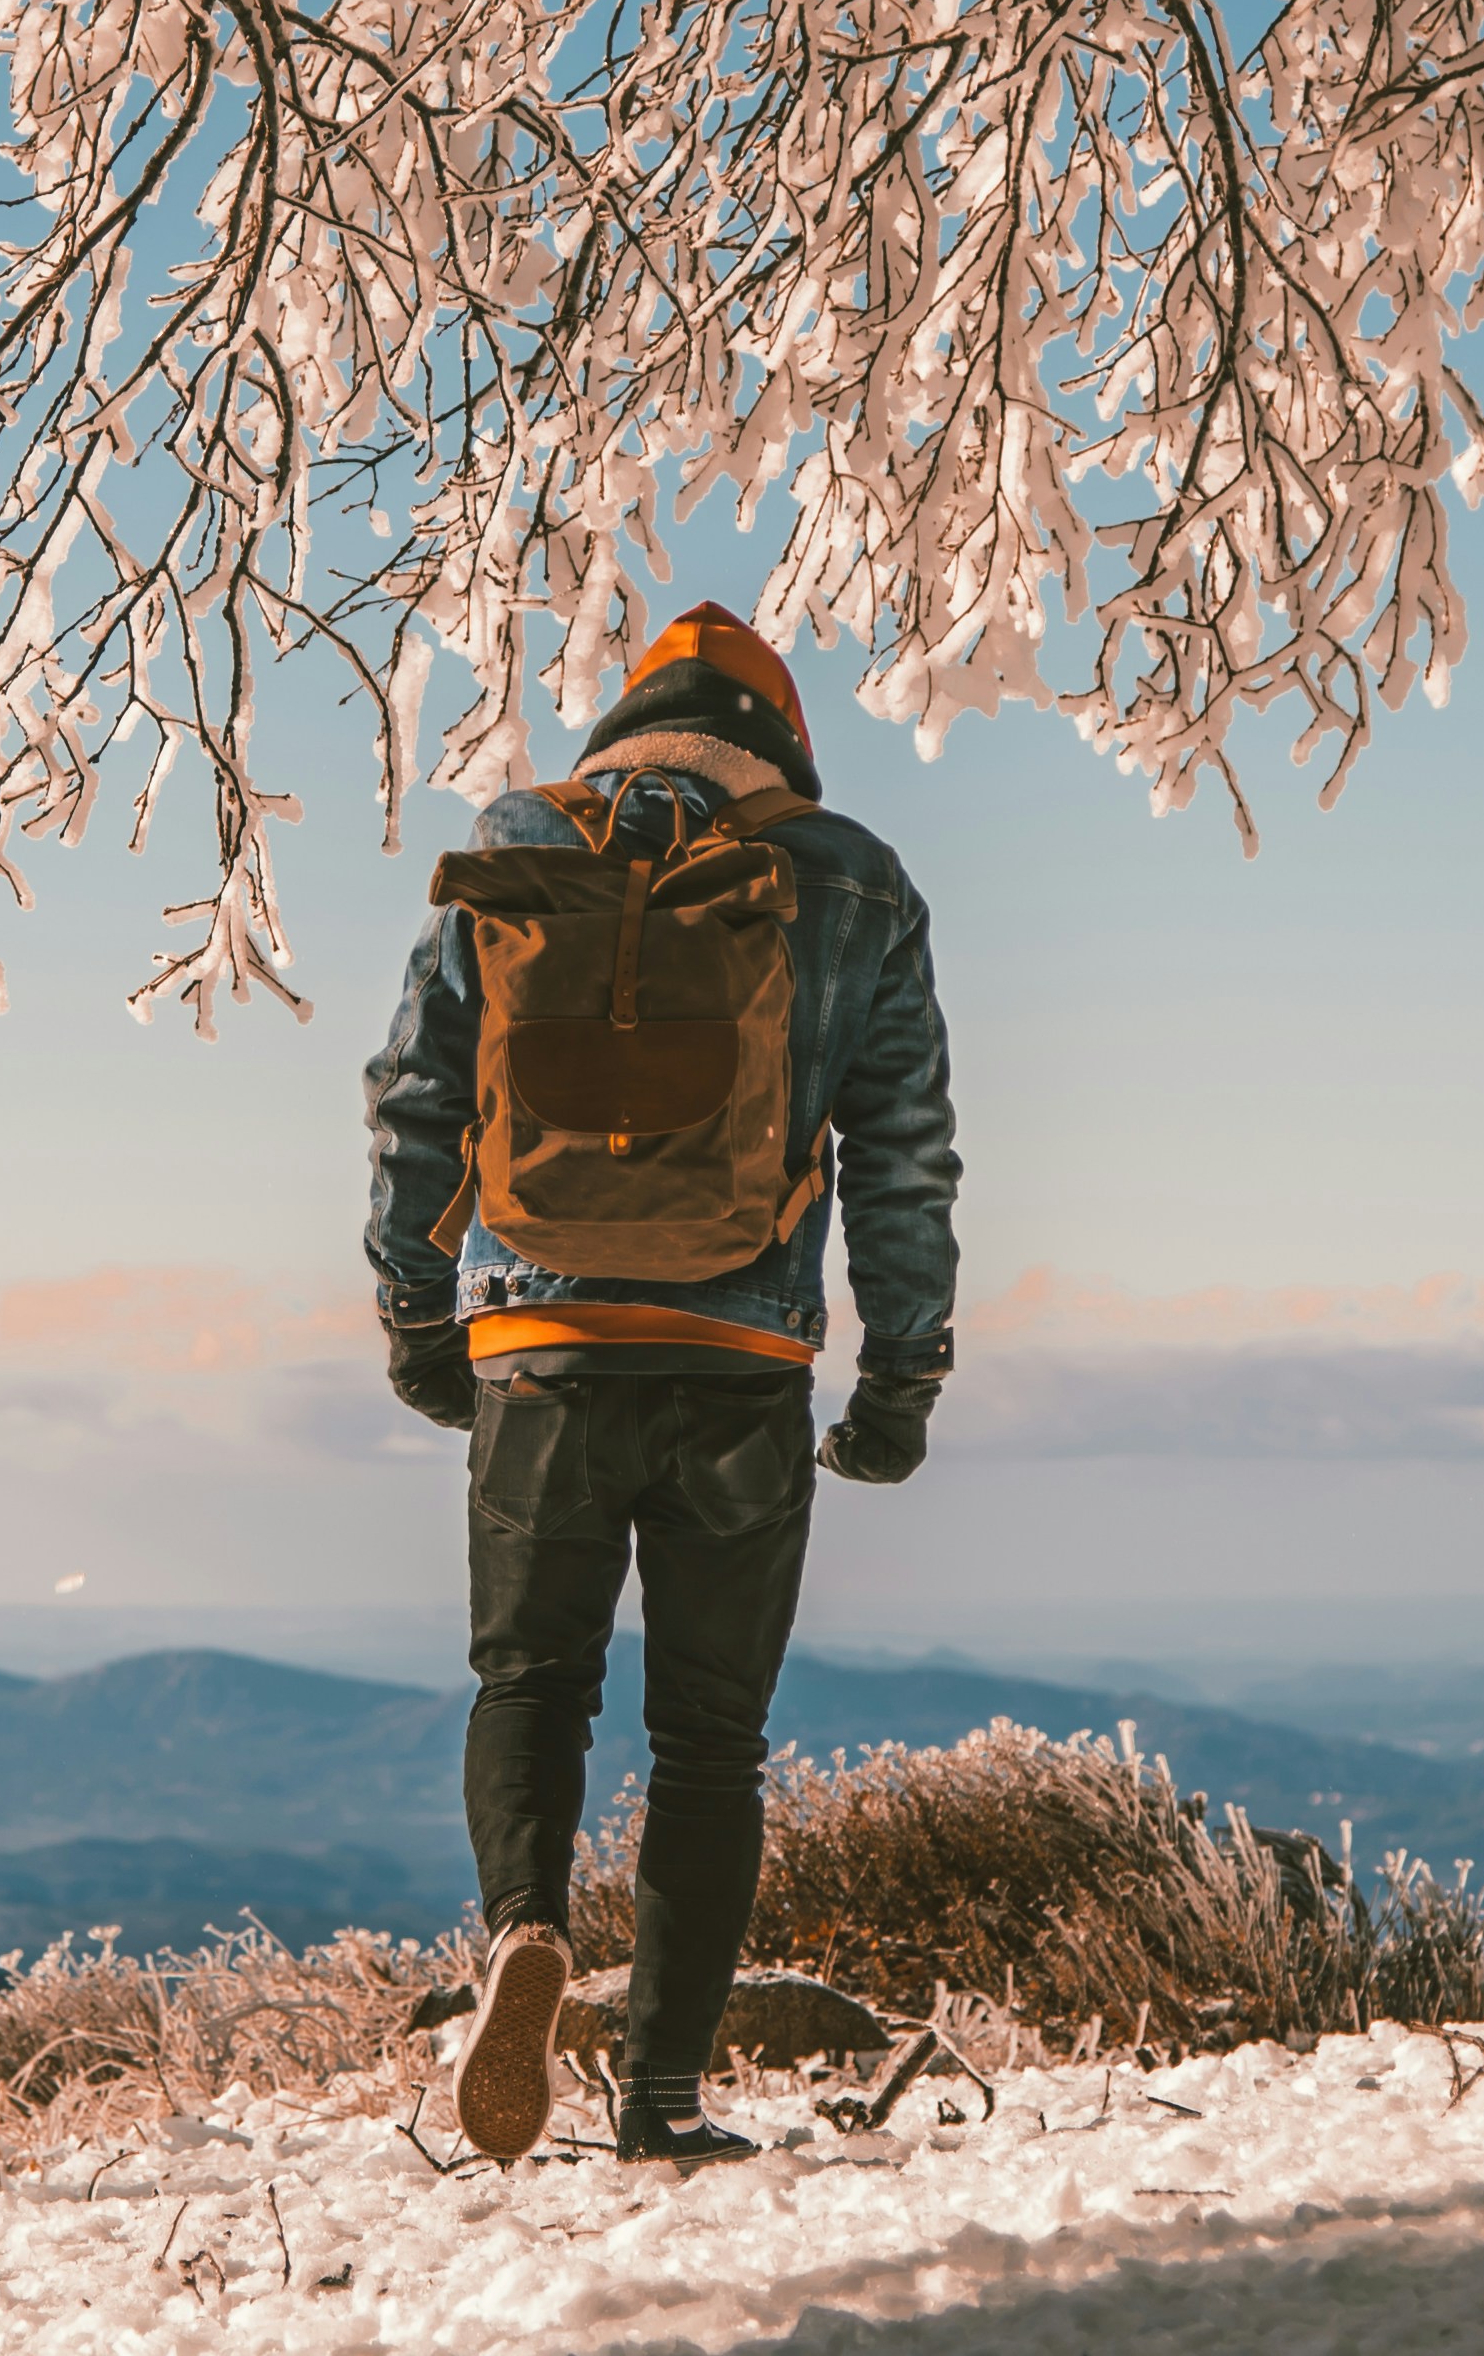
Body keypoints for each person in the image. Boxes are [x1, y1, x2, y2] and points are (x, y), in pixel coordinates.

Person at [363, 604, 961, 2166]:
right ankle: (663, 2096)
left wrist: (422, 1317)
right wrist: (901, 1371)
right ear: (784, 744)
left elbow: (417, 1102)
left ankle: (522, 1936)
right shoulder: (849, 876)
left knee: (529, 1685)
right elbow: (903, 1156)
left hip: (539, 1351)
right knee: (708, 1743)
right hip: (742, 1359)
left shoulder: (517, 842)